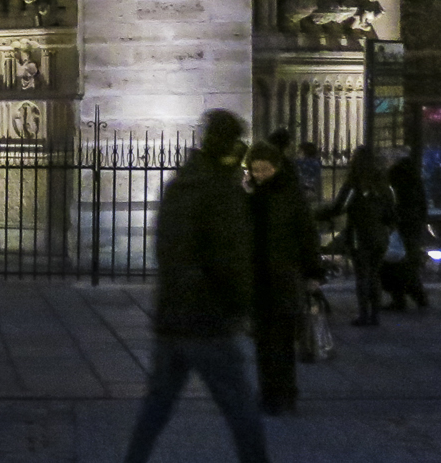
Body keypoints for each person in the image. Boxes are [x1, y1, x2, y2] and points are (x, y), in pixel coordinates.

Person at [119, 109, 269, 463]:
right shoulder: (222, 190)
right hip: (208, 320)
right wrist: (241, 305)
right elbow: (230, 258)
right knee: (240, 405)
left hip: (171, 316)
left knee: (157, 405)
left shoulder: (180, 184)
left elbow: (163, 247)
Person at [245, 142, 321, 415]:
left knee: (283, 341)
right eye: (255, 170)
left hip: (285, 276)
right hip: (259, 277)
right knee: (264, 341)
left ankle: (285, 393)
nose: (260, 174)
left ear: (276, 167)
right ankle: (269, 393)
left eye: (264, 169)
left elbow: (307, 235)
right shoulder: (252, 197)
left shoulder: (291, 195)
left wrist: (312, 272)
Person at [322, 145, 394, 327]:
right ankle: (375, 315)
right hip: (380, 235)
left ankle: (364, 314)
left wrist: (318, 215)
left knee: (362, 274)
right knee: (375, 274)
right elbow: (391, 213)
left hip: (359, 235)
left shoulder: (354, 184)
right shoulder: (383, 185)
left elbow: (338, 208)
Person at [385, 150, 430, 312]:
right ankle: (418, 295)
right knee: (409, 261)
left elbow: (391, 200)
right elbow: (423, 202)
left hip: (400, 223)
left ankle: (402, 297)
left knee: (395, 262)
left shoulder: (393, 175)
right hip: (414, 223)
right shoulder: (414, 176)